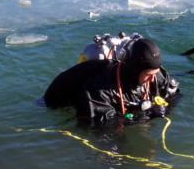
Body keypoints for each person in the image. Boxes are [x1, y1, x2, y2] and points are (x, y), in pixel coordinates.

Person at [44, 38, 180, 124]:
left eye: (155, 73)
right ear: (134, 70)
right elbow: (99, 122)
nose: (152, 78)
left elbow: (174, 93)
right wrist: (145, 115)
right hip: (58, 103)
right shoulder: (101, 87)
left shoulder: (155, 74)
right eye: (147, 75)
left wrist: (167, 108)